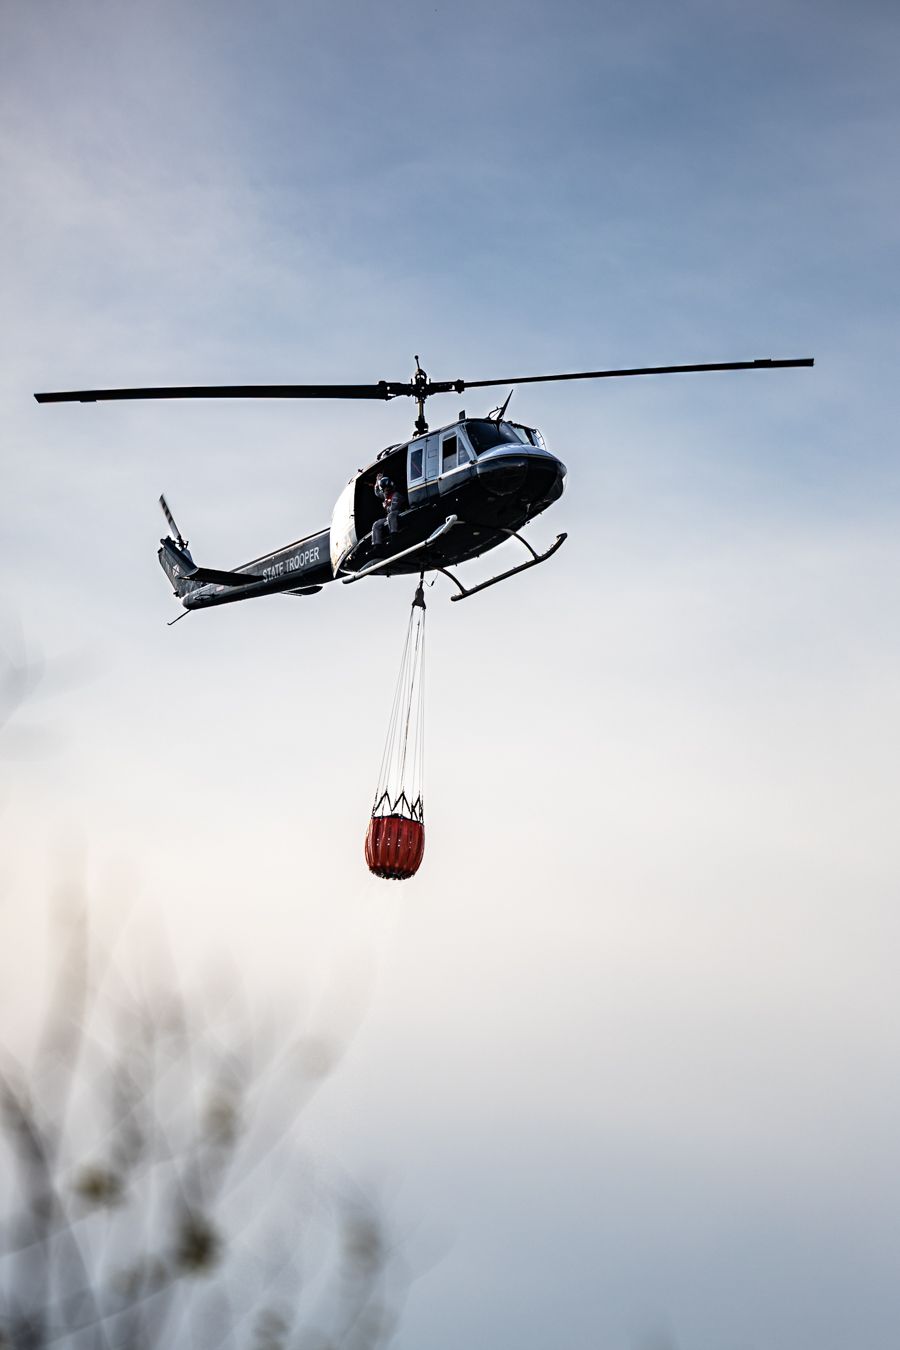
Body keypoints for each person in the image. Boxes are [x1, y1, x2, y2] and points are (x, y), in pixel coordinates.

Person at [372, 471, 404, 549]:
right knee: (376, 524)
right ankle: (377, 545)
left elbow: (393, 508)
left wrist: (386, 507)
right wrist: (377, 480)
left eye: (387, 489)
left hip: (399, 513)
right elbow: (377, 493)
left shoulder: (396, 495)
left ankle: (394, 535)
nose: (386, 491)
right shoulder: (385, 495)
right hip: (390, 516)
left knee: (390, 515)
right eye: (384, 489)